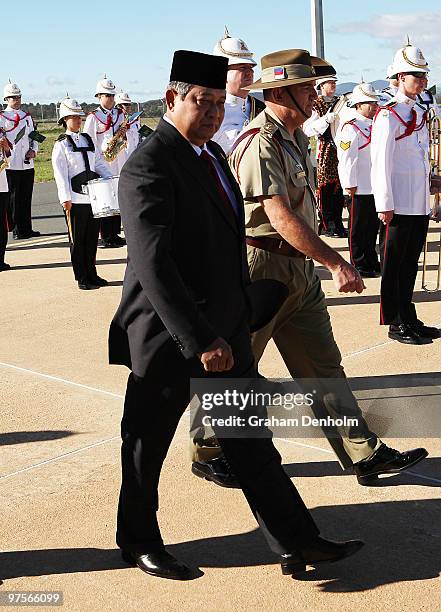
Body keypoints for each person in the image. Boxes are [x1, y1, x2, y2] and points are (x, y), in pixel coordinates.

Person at [109, 49, 364, 580]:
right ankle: (138, 541)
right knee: (145, 448)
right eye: (202, 102)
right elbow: (154, 266)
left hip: (224, 332)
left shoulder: (213, 157)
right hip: (169, 338)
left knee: (250, 444)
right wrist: (201, 337)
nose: (213, 114)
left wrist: (237, 321)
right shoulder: (148, 166)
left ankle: (298, 541)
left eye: (221, 104)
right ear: (173, 97)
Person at [225, 48, 427, 487]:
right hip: (263, 267)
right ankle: (212, 449)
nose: (314, 97)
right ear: (279, 92)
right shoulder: (261, 142)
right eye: (304, 89)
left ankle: (362, 453)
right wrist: (336, 262)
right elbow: (279, 215)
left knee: (323, 366)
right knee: (236, 366)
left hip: (298, 270)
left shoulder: (294, 135)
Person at [371, 43, 441, 345]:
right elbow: (380, 162)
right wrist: (384, 204)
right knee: (394, 265)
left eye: (424, 75)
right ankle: (394, 321)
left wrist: (432, 179)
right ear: (400, 77)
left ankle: (408, 315)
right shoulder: (388, 114)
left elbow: (420, 154)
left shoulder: (419, 110)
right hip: (397, 202)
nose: (422, 80)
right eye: (416, 75)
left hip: (417, 200)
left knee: (410, 262)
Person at [52, 97, 112, 290]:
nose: (79, 120)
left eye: (79, 117)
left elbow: (99, 163)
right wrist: (65, 198)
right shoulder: (61, 144)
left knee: (91, 238)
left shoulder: (87, 139)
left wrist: (111, 179)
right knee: (78, 241)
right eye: (74, 117)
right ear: (65, 120)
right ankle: (82, 277)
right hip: (74, 200)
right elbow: (60, 173)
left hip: (93, 198)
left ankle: (92, 273)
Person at [336, 82, 380, 277]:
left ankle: (371, 260)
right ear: (358, 105)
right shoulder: (350, 128)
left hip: (374, 186)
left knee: (372, 228)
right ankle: (359, 263)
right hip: (358, 186)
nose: (373, 106)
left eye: (374, 102)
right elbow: (346, 158)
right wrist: (349, 184)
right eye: (369, 103)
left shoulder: (376, 124)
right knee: (357, 228)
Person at [84, 76, 126, 249]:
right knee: (106, 199)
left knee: (118, 197)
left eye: (111, 95)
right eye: (106, 95)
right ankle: (106, 235)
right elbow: (89, 140)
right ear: (99, 97)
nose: (110, 98)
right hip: (103, 162)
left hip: (118, 159)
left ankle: (115, 232)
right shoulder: (94, 117)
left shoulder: (119, 114)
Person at [303, 74, 347, 237]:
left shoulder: (338, 102)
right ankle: (327, 225)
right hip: (324, 150)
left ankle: (337, 223)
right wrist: (326, 121)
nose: (333, 85)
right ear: (322, 86)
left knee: (338, 189)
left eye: (334, 82)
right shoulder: (316, 104)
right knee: (326, 188)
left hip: (339, 149)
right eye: (330, 83)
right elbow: (308, 129)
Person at [212, 27, 264, 154]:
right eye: (242, 67)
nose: (250, 72)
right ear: (222, 73)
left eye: (251, 67)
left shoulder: (261, 108)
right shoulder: (211, 111)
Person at [0, 81, 40, 240]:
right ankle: (17, 229)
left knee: (26, 197)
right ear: (6, 99)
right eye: (13, 97)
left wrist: (34, 150)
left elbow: (34, 135)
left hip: (27, 163)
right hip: (12, 164)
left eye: (18, 97)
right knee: (15, 199)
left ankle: (27, 228)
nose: (16, 100)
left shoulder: (27, 116)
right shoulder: (2, 117)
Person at [114, 91, 141, 166]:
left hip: (133, 156)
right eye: (126, 104)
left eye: (129, 104)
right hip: (121, 157)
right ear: (119, 106)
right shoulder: (114, 121)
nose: (128, 106)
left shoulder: (134, 121)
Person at [0, 131, 11, 270]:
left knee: (2, 226)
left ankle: (0, 260)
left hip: (1, 187)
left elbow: (9, 161)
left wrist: (7, 148)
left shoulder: (1, 135)